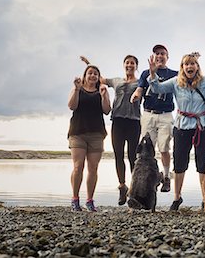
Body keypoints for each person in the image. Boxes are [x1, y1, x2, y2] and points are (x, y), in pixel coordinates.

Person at [148, 51, 205, 210]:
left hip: (202, 126)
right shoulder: (175, 82)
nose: (189, 66)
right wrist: (153, 74)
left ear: (197, 66)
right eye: (186, 64)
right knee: (179, 164)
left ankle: (204, 199)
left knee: (203, 164)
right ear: (182, 67)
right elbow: (157, 89)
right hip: (182, 127)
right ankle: (177, 198)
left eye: (192, 63)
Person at [81, 55, 141, 206]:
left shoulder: (140, 83)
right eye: (127, 63)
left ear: (136, 66)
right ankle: (122, 186)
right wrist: (89, 64)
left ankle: (134, 190)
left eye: (132, 63)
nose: (129, 65)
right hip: (118, 122)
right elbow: (100, 78)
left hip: (134, 122)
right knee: (118, 155)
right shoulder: (116, 81)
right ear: (123, 65)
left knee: (133, 156)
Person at [130, 45, 178, 193]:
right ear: (153, 56)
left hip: (165, 114)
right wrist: (135, 96)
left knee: (164, 147)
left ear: (167, 57)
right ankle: (145, 178)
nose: (160, 56)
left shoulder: (174, 74)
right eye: (157, 53)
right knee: (146, 149)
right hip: (148, 114)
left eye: (163, 53)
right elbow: (140, 89)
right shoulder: (145, 73)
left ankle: (166, 177)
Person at [68, 64, 111, 212]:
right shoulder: (78, 89)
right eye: (90, 73)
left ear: (98, 77)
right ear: (85, 75)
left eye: (95, 74)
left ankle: (90, 201)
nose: (93, 76)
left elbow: (106, 110)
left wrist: (104, 95)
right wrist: (76, 89)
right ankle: (75, 200)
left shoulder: (101, 90)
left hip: (96, 134)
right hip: (78, 132)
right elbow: (71, 106)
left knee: (93, 168)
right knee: (78, 166)